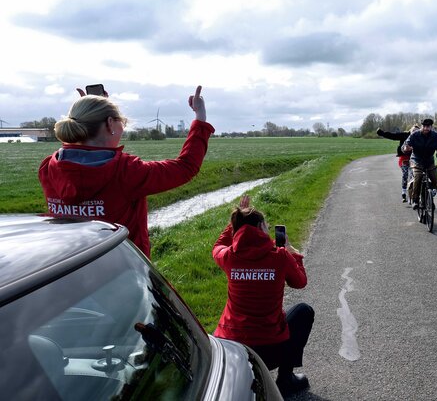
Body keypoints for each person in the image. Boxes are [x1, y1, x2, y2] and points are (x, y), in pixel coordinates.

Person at [39, 85, 214, 259]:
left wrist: (89, 113)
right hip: (124, 269)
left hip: (70, 267)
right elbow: (185, 167)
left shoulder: (48, 168)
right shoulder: (127, 172)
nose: (122, 128)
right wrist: (200, 117)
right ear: (110, 124)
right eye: (121, 122)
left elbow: (78, 155)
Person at [212, 195, 313, 396]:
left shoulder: (229, 256)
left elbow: (217, 247)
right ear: (260, 227)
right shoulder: (280, 256)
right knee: (304, 311)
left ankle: (235, 378)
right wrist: (293, 253)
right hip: (270, 352)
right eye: (266, 225)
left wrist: (233, 224)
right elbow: (300, 282)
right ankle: (285, 380)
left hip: (232, 350)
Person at [402, 118, 437, 209]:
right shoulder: (415, 135)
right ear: (422, 126)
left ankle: (429, 197)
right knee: (418, 176)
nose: (426, 128)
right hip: (416, 160)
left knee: (435, 179)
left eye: (428, 126)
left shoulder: (436, 136)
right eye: (424, 126)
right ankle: (415, 200)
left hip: (429, 161)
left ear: (431, 127)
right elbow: (406, 144)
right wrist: (406, 148)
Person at [377, 124, 420, 202]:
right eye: (413, 130)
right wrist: (382, 133)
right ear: (410, 130)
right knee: (405, 174)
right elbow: (393, 136)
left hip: (415, 159)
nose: (414, 132)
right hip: (404, 159)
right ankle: (404, 192)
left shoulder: (420, 137)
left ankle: (414, 194)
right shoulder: (404, 135)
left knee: (413, 175)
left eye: (416, 131)